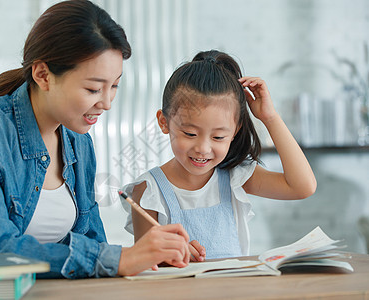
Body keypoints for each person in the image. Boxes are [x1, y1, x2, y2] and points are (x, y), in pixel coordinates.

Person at [0, 0, 192, 279]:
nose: (107, 103)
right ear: (43, 75)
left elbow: (94, 246)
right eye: (93, 88)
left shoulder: (78, 141)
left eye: (114, 86)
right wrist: (118, 259)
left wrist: (154, 256)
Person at [121, 50, 317, 261]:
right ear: (164, 122)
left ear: (235, 131)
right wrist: (170, 257)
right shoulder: (149, 191)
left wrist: (269, 117)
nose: (203, 148)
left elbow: (302, 187)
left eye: (218, 137)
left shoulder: (235, 177)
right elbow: (142, 266)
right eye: (190, 134)